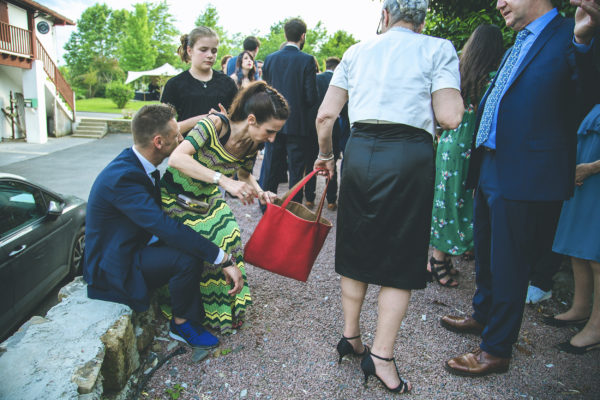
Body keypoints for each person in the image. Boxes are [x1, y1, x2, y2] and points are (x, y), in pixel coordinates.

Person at [441, 0, 599, 377]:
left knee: (510, 262)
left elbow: (588, 90)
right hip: (492, 162)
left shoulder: (571, 34)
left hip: (528, 170)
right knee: (486, 250)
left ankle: (496, 350)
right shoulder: (519, 42)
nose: (499, 4)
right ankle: (483, 315)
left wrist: (583, 39)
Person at [314, 0, 463, 393]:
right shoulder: (438, 48)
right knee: (401, 251)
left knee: (356, 241)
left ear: (384, 16)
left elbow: (325, 117)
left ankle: (351, 336)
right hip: (409, 155)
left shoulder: (356, 51)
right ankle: (381, 356)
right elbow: (450, 117)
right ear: (423, 20)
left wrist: (326, 155)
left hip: (361, 151)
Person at [83, 104, 243, 349]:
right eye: (177, 135)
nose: (182, 139)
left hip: (134, 243)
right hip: (113, 266)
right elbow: (163, 226)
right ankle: (181, 324)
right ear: (158, 142)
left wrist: (210, 118)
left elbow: (158, 221)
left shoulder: (135, 161)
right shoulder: (123, 178)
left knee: (195, 237)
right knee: (186, 257)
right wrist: (222, 258)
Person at [160, 81, 289, 334]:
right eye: (270, 131)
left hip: (207, 201)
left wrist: (261, 192)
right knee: (212, 245)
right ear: (251, 119)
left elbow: (243, 174)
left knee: (232, 236)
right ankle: (199, 313)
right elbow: (177, 158)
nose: (272, 139)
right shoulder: (215, 125)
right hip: (176, 201)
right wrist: (224, 181)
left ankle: (225, 307)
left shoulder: (253, 143)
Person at [428, 25, 504, 288]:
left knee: (446, 200)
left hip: (449, 144)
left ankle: (440, 258)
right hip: (470, 147)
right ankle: (438, 259)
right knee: (459, 203)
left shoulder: (458, 73)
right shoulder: (493, 77)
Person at [546, 104, 600, 354]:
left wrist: (591, 168)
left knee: (596, 253)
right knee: (578, 246)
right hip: (584, 175)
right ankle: (580, 308)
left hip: (593, 172)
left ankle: (597, 327)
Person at [259, 18, 318, 206]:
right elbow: (311, 97)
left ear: (285, 35)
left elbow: (264, 92)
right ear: (303, 36)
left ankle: (267, 207)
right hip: (297, 125)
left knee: (271, 167)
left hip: (272, 124)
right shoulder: (307, 60)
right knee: (296, 170)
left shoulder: (270, 59)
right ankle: (292, 208)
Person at [161, 27, 238, 137]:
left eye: (214, 51)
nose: (210, 55)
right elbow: (163, 127)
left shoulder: (227, 83)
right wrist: (203, 120)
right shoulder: (175, 84)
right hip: (185, 151)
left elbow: (239, 121)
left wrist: (226, 120)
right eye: (203, 49)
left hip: (222, 150)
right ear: (189, 50)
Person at [305, 56, 344, 211]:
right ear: (337, 67)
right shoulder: (338, 81)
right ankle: (331, 200)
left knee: (310, 163)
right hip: (333, 128)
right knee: (331, 162)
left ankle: (309, 198)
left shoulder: (314, 79)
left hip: (311, 127)